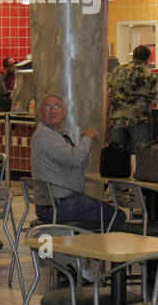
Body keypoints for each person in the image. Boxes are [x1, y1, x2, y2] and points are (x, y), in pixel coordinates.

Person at [31, 93, 123, 230]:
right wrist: (88, 138)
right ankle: (94, 247)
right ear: (40, 113)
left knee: (104, 215)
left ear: (64, 112)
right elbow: (75, 159)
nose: (52, 110)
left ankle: (87, 243)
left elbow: (78, 164)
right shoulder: (45, 136)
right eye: (47, 107)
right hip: (60, 205)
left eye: (56, 106)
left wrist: (84, 146)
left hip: (59, 203)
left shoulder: (57, 135)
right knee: (117, 215)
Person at [106, 45, 158, 152]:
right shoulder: (149, 75)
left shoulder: (117, 71)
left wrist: (106, 117)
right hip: (140, 123)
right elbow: (152, 105)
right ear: (148, 59)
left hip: (117, 121)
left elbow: (108, 96)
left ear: (133, 56)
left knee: (117, 155)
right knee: (140, 157)